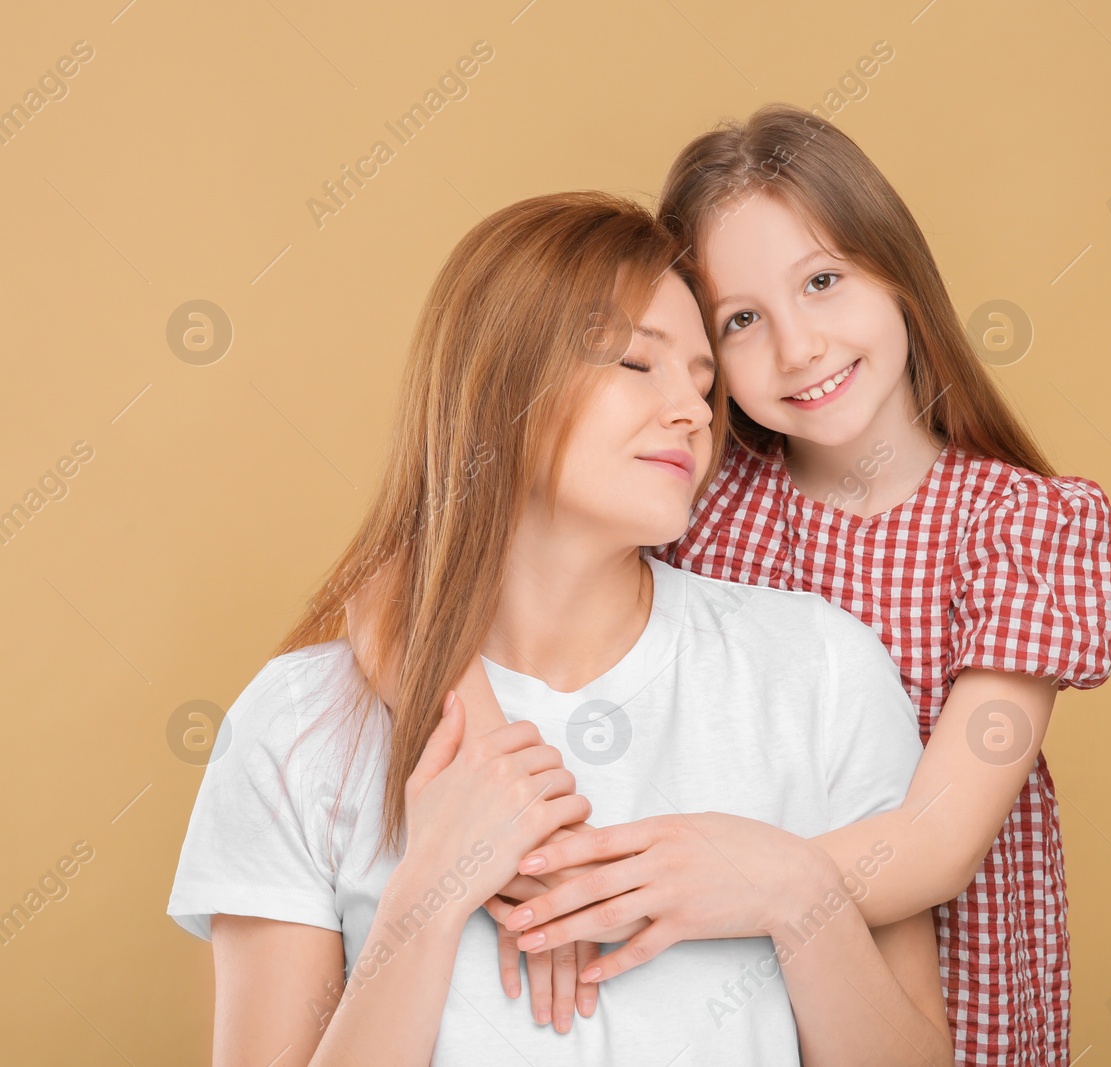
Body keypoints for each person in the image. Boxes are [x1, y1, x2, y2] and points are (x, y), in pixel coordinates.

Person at [350, 105, 1111, 1064]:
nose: (798, 346)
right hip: (721, 982)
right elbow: (393, 590)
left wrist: (658, 884)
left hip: (916, 976)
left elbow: (936, 845)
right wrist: (511, 816)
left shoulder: (1019, 525)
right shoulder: (701, 488)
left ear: (902, 277)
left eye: (825, 281)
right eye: (743, 321)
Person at [166, 190, 954, 1067]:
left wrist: (791, 885)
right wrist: (428, 890)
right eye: (633, 363)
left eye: (703, 381)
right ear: (499, 383)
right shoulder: (299, 720)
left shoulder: (819, 669)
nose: (693, 412)